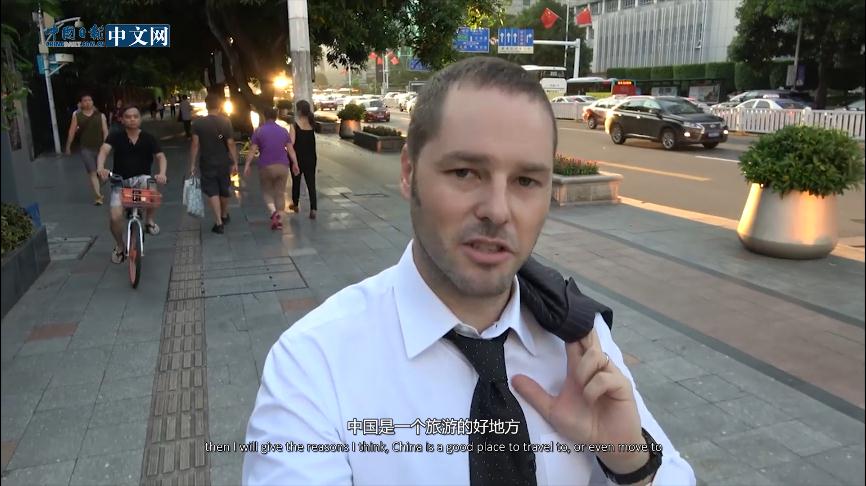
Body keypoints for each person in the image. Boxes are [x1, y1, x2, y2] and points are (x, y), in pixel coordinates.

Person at [242, 57, 695, 485]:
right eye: (464, 172)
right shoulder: (315, 367)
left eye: (526, 181)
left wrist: (630, 462)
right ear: (409, 172)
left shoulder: (578, 336)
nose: (497, 210)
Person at [96, 105, 167, 264]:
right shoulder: (115, 136)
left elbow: (161, 157)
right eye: (128, 117)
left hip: (141, 180)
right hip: (120, 181)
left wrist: (162, 173)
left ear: (140, 119)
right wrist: (101, 168)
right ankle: (120, 246)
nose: (132, 119)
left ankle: (149, 221)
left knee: (152, 188)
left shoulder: (149, 138)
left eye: (135, 116)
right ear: (122, 119)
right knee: (115, 217)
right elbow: (104, 151)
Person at [188, 93, 239, 234]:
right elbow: (230, 143)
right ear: (220, 106)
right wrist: (235, 162)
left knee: (212, 191)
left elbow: (195, 144)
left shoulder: (198, 123)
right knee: (224, 189)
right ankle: (224, 214)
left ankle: (218, 222)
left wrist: (192, 164)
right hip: (224, 162)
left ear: (206, 106)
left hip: (207, 162)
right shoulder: (226, 121)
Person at [243, 108, 300, 230]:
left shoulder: (259, 131)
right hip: (283, 166)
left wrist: (247, 165)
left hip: (266, 166)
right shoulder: (283, 131)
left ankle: (273, 212)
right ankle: (279, 219)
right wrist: (295, 164)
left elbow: (252, 150)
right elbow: (291, 150)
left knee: (267, 191)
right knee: (280, 193)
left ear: (264, 116)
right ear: (276, 116)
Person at [65, 93, 109, 205]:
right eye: (85, 100)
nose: (88, 102)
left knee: (100, 172)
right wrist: (68, 146)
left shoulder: (101, 116)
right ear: (81, 103)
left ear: (93, 102)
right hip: (86, 149)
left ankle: (100, 185)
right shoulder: (77, 116)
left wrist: (106, 145)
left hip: (100, 148)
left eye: (90, 100)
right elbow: (71, 131)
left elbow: (105, 131)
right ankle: (98, 197)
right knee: (92, 172)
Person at [289, 100, 318, 219]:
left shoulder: (294, 125)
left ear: (299, 111)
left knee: (296, 181)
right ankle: (313, 208)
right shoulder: (312, 124)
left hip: (298, 158)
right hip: (311, 158)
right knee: (311, 183)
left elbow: (291, 143)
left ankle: (295, 204)